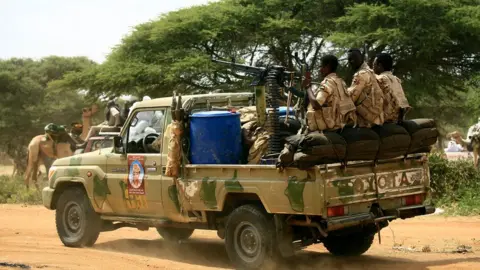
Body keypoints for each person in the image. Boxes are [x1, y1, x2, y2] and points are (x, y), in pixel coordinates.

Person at [304, 55, 357, 132]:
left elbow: (316, 105)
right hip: (342, 124)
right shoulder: (341, 82)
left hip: (331, 128)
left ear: (327, 67)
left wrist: (308, 87)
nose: (320, 70)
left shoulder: (327, 82)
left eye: (321, 66)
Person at [346, 48, 384, 128]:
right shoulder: (371, 72)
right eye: (349, 59)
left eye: (354, 58)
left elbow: (350, 99)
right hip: (376, 119)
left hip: (365, 121)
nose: (351, 61)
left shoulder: (361, 74)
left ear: (362, 58)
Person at [373, 53, 411, 123]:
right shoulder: (396, 79)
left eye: (374, 65)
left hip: (386, 120)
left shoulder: (378, 79)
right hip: (399, 119)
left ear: (379, 66)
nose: (373, 68)